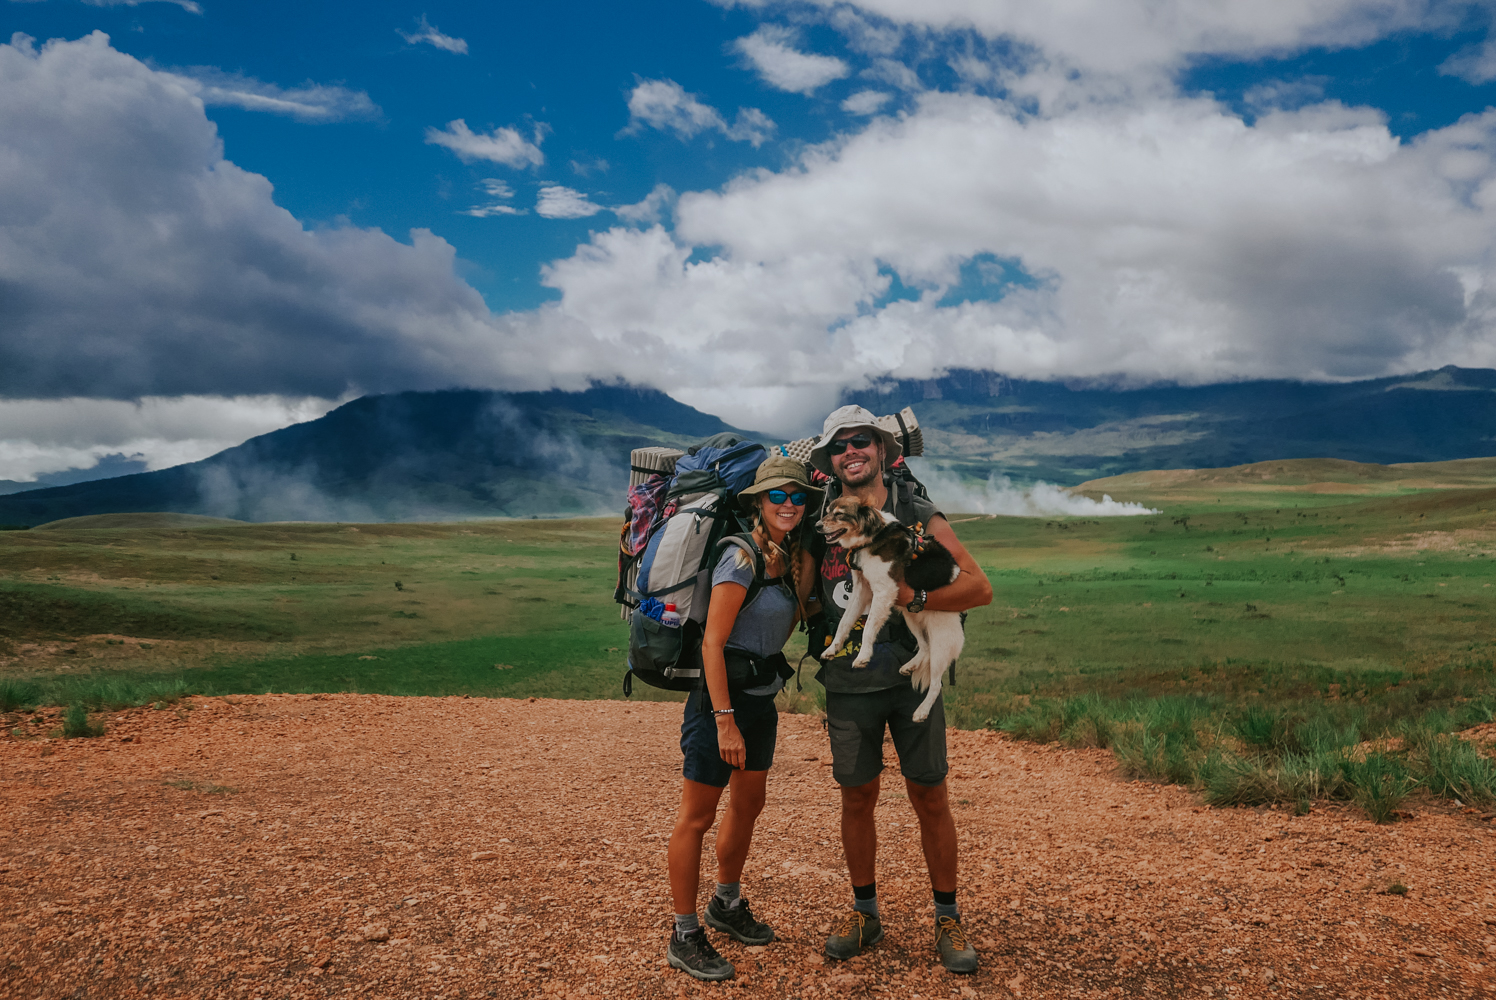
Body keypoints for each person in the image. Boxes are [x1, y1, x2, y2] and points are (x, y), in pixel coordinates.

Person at [804, 404, 993, 974]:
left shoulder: (916, 513)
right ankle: (865, 913)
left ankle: (947, 917)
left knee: (930, 795)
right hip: (849, 682)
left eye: (862, 441)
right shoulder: (824, 518)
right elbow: (805, 591)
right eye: (839, 446)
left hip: (911, 678)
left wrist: (917, 600)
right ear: (831, 462)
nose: (851, 452)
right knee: (857, 797)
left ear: (884, 451)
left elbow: (980, 588)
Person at [665, 455, 820, 982]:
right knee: (697, 816)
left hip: (761, 700)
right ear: (758, 501)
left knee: (749, 804)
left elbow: (807, 615)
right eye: (777, 496)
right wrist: (724, 721)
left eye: (798, 497)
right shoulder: (741, 560)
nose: (789, 505)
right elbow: (712, 643)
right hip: (720, 704)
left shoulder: (795, 560)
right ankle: (685, 934)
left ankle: (725, 905)